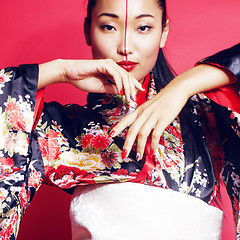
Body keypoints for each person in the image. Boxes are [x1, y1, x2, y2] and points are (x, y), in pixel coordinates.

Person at [0, 0, 239, 239]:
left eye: (143, 27)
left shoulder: (206, 116)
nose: (125, 47)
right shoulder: (61, 131)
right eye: (108, 27)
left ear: (163, 32)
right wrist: (58, 70)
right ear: (87, 31)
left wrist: (183, 86)